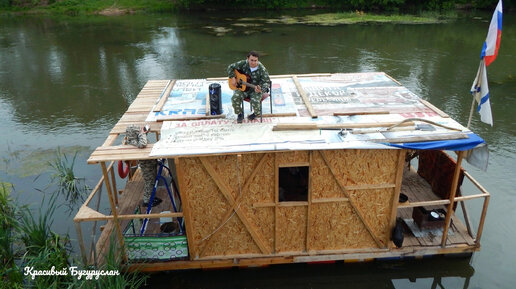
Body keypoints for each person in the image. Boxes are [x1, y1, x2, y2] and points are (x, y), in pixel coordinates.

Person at [122, 124, 162, 207]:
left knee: (152, 180)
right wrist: (142, 133)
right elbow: (143, 144)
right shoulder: (133, 142)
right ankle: (147, 201)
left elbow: (142, 139)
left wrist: (145, 131)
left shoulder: (135, 139)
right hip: (146, 165)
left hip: (149, 163)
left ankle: (151, 197)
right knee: (149, 182)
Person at [227, 51, 270, 123]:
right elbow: (230, 67)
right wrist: (233, 77)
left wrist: (261, 89)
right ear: (247, 59)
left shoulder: (262, 69)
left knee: (255, 101)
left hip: (255, 89)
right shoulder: (243, 63)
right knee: (234, 98)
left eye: (255, 60)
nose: (253, 63)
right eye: (251, 60)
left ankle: (256, 113)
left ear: (258, 60)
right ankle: (240, 113)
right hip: (243, 88)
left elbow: (266, 82)